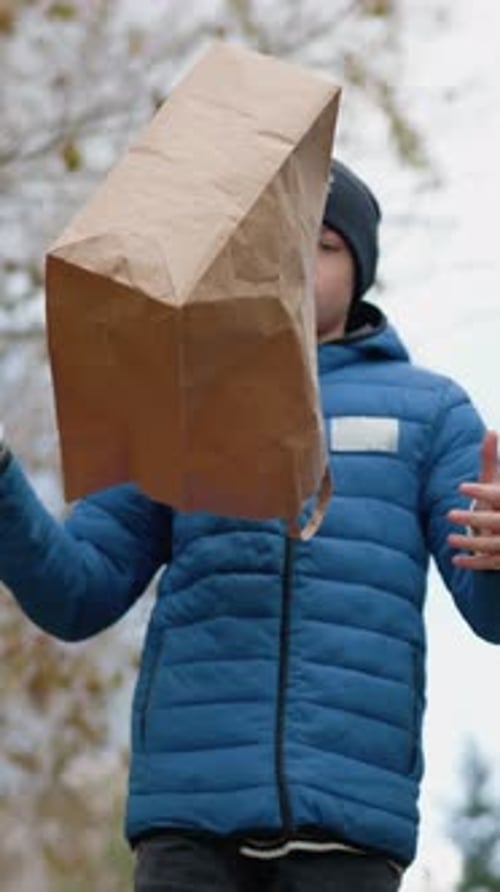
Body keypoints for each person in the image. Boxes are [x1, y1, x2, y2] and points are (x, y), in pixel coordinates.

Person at [1, 159, 499, 892]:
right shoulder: (180, 402)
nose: (298, 260)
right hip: (188, 830)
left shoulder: (433, 412)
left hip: (348, 832)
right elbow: (76, 594)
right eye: (281, 241)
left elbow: (489, 614)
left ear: (359, 269)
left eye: (324, 244)